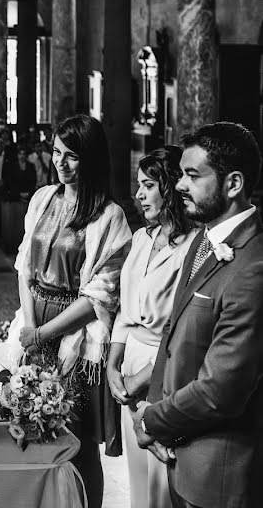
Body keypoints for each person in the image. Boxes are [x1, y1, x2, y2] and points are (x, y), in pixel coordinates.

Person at [133, 122, 263, 508]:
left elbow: (221, 390)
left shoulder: (253, 268)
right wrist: (155, 412)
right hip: (179, 453)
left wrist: (151, 421)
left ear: (233, 183)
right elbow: (173, 338)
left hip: (218, 473)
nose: (178, 186)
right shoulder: (206, 238)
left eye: (193, 175)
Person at [6, 114, 132, 508]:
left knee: (75, 440)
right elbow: (24, 266)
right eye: (56, 153)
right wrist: (29, 325)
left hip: (75, 331)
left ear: (91, 159)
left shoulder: (109, 216)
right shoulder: (43, 198)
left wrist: (44, 334)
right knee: (29, 426)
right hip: (34, 318)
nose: (60, 163)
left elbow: (100, 295)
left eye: (72, 156)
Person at [106, 147, 195, 508]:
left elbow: (182, 329)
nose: (139, 194)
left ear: (170, 187)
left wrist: (140, 379)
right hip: (127, 358)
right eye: (138, 185)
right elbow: (124, 310)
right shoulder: (142, 238)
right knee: (138, 481)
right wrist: (113, 365)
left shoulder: (194, 247)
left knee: (162, 483)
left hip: (163, 367)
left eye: (148, 185)